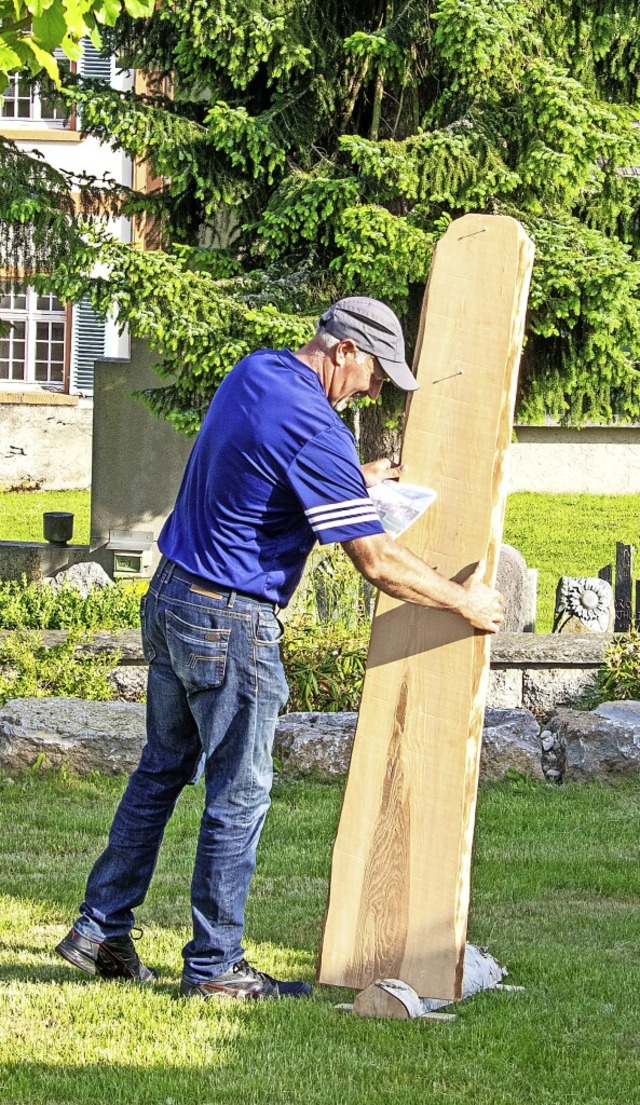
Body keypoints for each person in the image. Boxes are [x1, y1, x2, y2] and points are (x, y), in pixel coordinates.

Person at [55, 297, 504, 1000]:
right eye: (377, 373)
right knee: (240, 792)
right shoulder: (315, 426)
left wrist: (360, 478)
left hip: (171, 594)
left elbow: (269, 459)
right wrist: (464, 600)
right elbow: (378, 561)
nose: (375, 388)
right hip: (229, 618)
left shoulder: (258, 372)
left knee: (163, 766)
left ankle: (100, 927)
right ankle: (214, 968)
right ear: (345, 350)